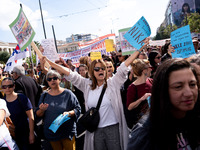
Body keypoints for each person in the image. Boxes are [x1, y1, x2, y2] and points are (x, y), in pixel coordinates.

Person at [40, 37, 150, 150]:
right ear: (92, 72)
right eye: (97, 69)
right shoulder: (87, 85)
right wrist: (50, 62)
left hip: (113, 128)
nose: (100, 71)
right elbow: (70, 73)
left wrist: (139, 48)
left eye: (102, 68)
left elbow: (124, 65)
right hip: (95, 130)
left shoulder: (113, 83)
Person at [127, 58, 200, 150]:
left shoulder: (195, 118)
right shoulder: (145, 133)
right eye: (178, 87)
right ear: (163, 91)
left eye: (192, 84)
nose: (189, 93)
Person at [36, 70, 81, 150]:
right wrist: (41, 110)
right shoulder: (44, 95)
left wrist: (69, 113)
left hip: (67, 131)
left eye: (54, 78)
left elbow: (78, 109)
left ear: (59, 79)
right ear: (47, 82)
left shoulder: (68, 93)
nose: (52, 80)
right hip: (52, 133)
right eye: (49, 79)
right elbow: (38, 114)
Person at [1, 77, 35, 150]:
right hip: (11, 135)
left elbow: (31, 116)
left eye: (9, 86)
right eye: (4, 87)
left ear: (14, 86)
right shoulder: (2, 101)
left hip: (25, 134)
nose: (7, 88)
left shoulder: (22, 98)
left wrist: (31, 134)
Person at [126, 59, 152, 129]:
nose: (151, 69)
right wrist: (141, 99)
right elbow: (129, 107)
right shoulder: (132, 87)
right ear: (144, 70)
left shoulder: (151, 81)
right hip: (141, 124)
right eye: (149, 68)